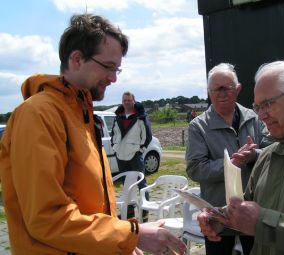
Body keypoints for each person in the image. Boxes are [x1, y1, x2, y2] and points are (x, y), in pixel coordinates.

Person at [0, 13, 186, 255]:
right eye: (108, 67)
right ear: (77, 59)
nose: (114, 78)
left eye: (117, 69)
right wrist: (130, 236)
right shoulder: (38, 115)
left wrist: (119, 242)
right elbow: (46, 217)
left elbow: (88, 206)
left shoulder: (84, 117)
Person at [199, 61, 284, 255]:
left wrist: (262, 223)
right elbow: (247, 206)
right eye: (257, 107)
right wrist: (219, 219)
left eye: (267, 104)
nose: (262, 116)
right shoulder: (267, 155)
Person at [186, 63, 268, 255]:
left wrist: (255, 155)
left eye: (227, 88)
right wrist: (231, 164)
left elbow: (272, 151)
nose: (222, 93)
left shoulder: (254, 118)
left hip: (252, 212)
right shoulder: (198, 126)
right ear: (209, 92)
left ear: (237, 89)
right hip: (218, 217)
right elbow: (195, 169)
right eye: (216, 89)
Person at [111, 91, 151, 221]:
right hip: (120, 154)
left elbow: (147, 136)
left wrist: (141, 150)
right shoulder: (118, 116)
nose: (126, 102)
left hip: (134, 154)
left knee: (141, 183)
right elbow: (114, 134)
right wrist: (114, 147)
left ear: (134, 101)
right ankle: (129, 212)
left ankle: (145, 209)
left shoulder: (140, 117)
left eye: (129, 100)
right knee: (126, 184)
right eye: (124, 100)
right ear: (122, 101)